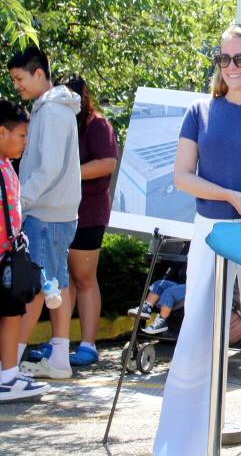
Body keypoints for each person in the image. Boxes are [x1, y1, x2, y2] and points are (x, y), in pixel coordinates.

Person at [153, 23, 241, 456]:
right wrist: (229, 196)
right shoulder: (199, 111)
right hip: (211, 232)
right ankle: (188, 439)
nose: (231, 67)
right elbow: (182, 178)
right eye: (224, 58)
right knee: (199, 333)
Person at [7, 46, 81, 380]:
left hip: (45, 210)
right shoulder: (52, 108)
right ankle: (58, 357)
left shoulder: (51, 112)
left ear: (39, 74)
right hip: (56, 210)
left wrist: (19, 203)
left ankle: (12, 362)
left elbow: (48, 167)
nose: (17, 86)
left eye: (19, 78)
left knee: (36, 287)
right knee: (54, 283)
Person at [63, 75, 118, 368]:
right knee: (64, 279)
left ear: (82, 97)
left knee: (83, 278)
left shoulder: (98, 124)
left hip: (89, 212)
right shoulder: (58, 123)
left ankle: (88, 343)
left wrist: (68, 172)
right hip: (61, 212)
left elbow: (107, 162)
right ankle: (59, 343)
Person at [0, 100, 50, 401]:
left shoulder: (6, 164)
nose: (25, 142)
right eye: (20, 135)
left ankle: (8, 375)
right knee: (9, 313)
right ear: (1, 133)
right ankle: (7, 377)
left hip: (8, 255)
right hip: (4, 258)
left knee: (11, 312)